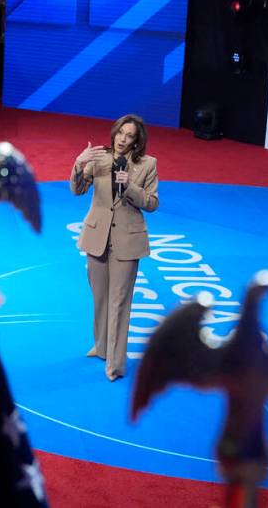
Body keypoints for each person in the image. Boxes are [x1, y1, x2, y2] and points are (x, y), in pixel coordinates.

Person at [70, 114, 159, 382]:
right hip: (97, 237)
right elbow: (77, 190)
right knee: (100, 298)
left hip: (127, 241)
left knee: (119, 302)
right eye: (120, 133)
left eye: (129, 135)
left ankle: (116, 364)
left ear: (136, 141)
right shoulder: (98, 158)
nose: (123, 139)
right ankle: (101, 347)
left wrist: (128, 186)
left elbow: (152, 203)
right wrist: (79, 164)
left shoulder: (148, 164)